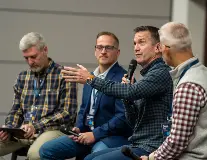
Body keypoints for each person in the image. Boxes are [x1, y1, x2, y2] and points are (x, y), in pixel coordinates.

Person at [61, 26, 173, 160]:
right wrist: (127, 96)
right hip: (138, 143)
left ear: (157, 47)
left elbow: (130, 94)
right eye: (134, 43)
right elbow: (134, 119)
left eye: (141, 42)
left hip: (151, 146)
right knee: (88, 158)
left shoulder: (160, 73)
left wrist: (91, 80)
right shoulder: (149, 75)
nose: (136, 48)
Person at [39, 31, 133, 160]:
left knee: (94, 156)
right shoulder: (89, 76)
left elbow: (123, 117)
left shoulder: (123, 79)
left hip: (112, 137)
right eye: (99, 47)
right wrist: (78, 128)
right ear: (95, 51)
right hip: (86, 134)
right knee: (46, 150)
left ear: (118, 52)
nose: (103, 51)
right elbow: (84, 108)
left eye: (109, 47)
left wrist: (94, 134)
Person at [141, 22, 207, 160]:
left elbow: (176, 142)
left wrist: (152, 158)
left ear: (166, 49)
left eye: (159, 47)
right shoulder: (205, 73)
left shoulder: (188, 85)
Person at [0, 32, 78, 160]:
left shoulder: (65, 75)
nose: (30, 62)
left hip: (52, 131)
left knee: (35, 154)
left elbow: (67, 113)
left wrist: (34, 126)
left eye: (33, 56)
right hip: (23, 133)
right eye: (26, 58)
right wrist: (9, 129)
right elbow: (16, 109)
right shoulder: (22, 77)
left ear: (45, 50)